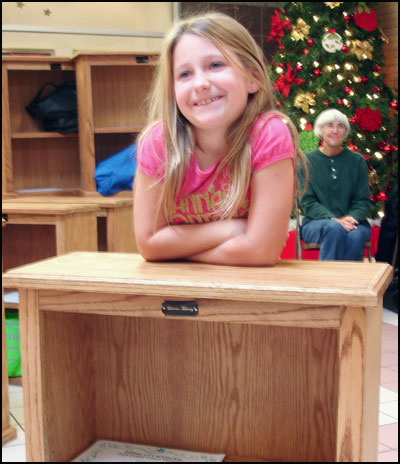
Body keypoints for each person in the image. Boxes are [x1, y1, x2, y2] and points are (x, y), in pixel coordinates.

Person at [134, 13, 307, 266]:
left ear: (253, 78)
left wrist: (176, 250)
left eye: (215, 65)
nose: (200, 83)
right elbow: (148, 244)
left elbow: (262, 251)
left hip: (252, 292)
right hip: (180, 290)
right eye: (184, 74)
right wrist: (232, 230)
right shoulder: (158, 142)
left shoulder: (269, 134)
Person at [299, 109, 371, 261]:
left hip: (355, 223)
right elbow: (308, 203)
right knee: (334, 229)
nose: (335, 131)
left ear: (345, 132)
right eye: (330, 125)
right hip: (315, 223)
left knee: (355, 236)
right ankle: (327, 282)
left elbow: (362, 200)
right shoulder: (307, 161)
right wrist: (333, 219)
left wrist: (351, 218)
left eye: (340, 126)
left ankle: (352, 284)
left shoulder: (357, 161)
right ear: (320, 129)